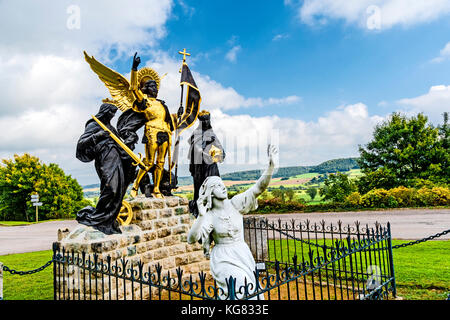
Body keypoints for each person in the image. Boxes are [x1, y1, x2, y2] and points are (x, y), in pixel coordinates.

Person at [187, 145, 277, 300]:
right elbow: (191, 239)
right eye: (217, 186)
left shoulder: (235, 204)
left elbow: (258, 189)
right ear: (210, 192)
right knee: (240, 288)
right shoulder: (209, 215)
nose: (223, 188)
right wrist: (201, 216)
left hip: (242, 253)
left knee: (250, 293)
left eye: (222, 185)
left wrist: (270, 167)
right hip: (223, 257)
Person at [128, 53, 183, 198]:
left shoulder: (161, 103)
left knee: (161, 162)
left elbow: (169, 121)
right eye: (152, 86)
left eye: (156, 86)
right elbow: (133, 88)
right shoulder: (144, 100)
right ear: (146, 88)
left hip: (165, 132)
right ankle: (135, 186)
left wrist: (178, 114)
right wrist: (134, 69)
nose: (155, 88)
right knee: (149, 161)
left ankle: (157, 188)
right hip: (152, 131)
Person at [75, 103, 135, 235]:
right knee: (111, 188)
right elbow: (81, 143)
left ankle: (108, 221)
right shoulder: (94, 124)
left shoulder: (111, 128)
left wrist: (129, 143)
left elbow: (121, 147)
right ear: (105, 111)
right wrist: (98, 136)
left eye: (114, 113)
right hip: (105, 159)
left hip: (117, 160)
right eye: (111, 112)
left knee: (118, 191)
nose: (113, 115)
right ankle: (98, 218)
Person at [188, 110, 225, 217]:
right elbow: (196, 149)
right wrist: (206, 146)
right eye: (204, 120)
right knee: (200, 187)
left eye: (208, 120)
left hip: (211, 164)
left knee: (215, 185)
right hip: (199, 165)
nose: (206, 122)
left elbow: (220, 148)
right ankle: (198, 209)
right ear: (201, 121)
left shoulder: (211, 133)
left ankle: (216, 208)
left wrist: (220, 153)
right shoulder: (196, 133)